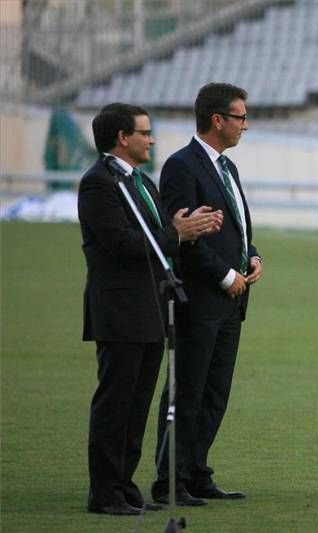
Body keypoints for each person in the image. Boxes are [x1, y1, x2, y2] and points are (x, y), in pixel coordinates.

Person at [79, 103, 222, 515]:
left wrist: (188, 227)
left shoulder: (139, 180)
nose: (152, 138)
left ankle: (124, 488)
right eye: (144, 132)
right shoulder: (98, 183)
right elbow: (122, 246)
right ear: (123, 138)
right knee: (115, 405)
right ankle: (104, 493)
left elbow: (160, 234)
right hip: (120, 311)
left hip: (150, 309)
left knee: (137, 406)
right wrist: (176, 233)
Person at [152, 83, 262, 506]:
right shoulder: (182, 166)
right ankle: (169, 480)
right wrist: (224, 276)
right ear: (218, 120)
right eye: (241, 117)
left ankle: (196, 472)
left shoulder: (226, 167)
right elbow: (186, 234)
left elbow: (235, 225)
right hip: (200, 298)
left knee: (214, 393)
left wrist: (252, 256)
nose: (245, 126)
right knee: (186, 390)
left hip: (232, 298)